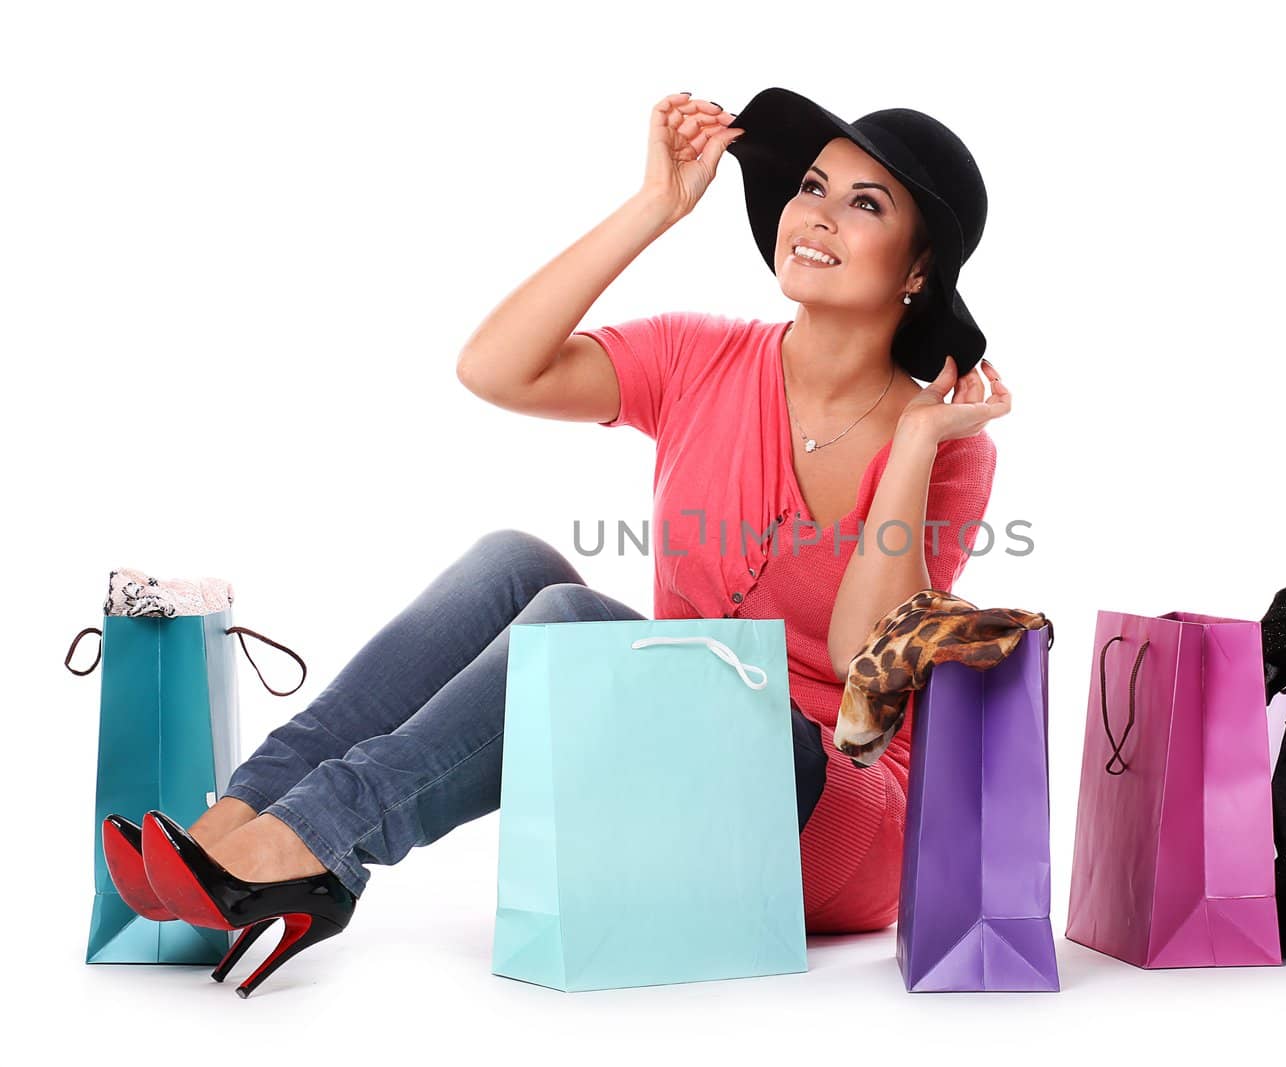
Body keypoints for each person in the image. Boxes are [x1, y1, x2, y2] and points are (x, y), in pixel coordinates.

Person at [118, 87, 1009, 995]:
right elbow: (494, 366)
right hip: (676, 752)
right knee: (515, 563)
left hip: (828, 810)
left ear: (917, 269)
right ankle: (239, 819)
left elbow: (869, 665)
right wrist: (656, 205)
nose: (816, 214)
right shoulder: (702, 359)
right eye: (813, 186)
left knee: (574, 619)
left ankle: (315, 838)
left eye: (865, 204)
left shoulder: (945, 443)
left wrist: (912, 446)